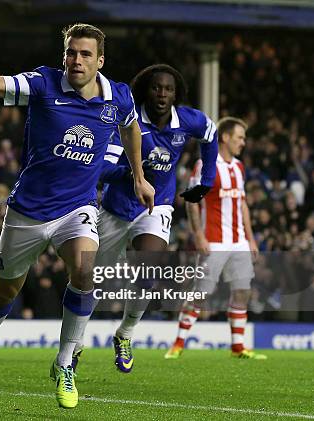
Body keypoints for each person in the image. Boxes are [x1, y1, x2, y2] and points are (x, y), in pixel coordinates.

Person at [0, 23, 154, 408]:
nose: (75, 60)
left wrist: (140, 177)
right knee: (5, 289)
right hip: (28, 210)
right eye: (70, 53)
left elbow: (131, 129)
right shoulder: (43, 84)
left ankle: (65, 363)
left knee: (85, 271)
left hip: (76, 208)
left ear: (100, 60)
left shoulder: (119, 97)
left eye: (84, 54)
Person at [73, 64, 218, 373]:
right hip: (115, 209)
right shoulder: (129, 122)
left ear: (176, 93)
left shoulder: (186, 121)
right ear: (145, 91)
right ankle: (75, 341)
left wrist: (206, 180)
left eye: (168, 89)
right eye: (156, 88)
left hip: (156, 208)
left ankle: (125, 334)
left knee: (149, 272)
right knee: (89, 279)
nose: (162, 94)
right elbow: (102, 169)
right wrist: (134, 172)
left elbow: (211, 133)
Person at [165, 116, 266, 360]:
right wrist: (198, 234)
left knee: (242, 291)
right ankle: (178, 343)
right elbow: (191, 202)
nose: (243, 142)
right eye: (240, 137)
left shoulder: (239, 167)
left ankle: (238, 347)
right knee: (202, 294)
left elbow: (242, 204)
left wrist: (251, 239)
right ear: (226, 137)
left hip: (238, 241)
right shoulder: (205, 165)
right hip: (214, 241)